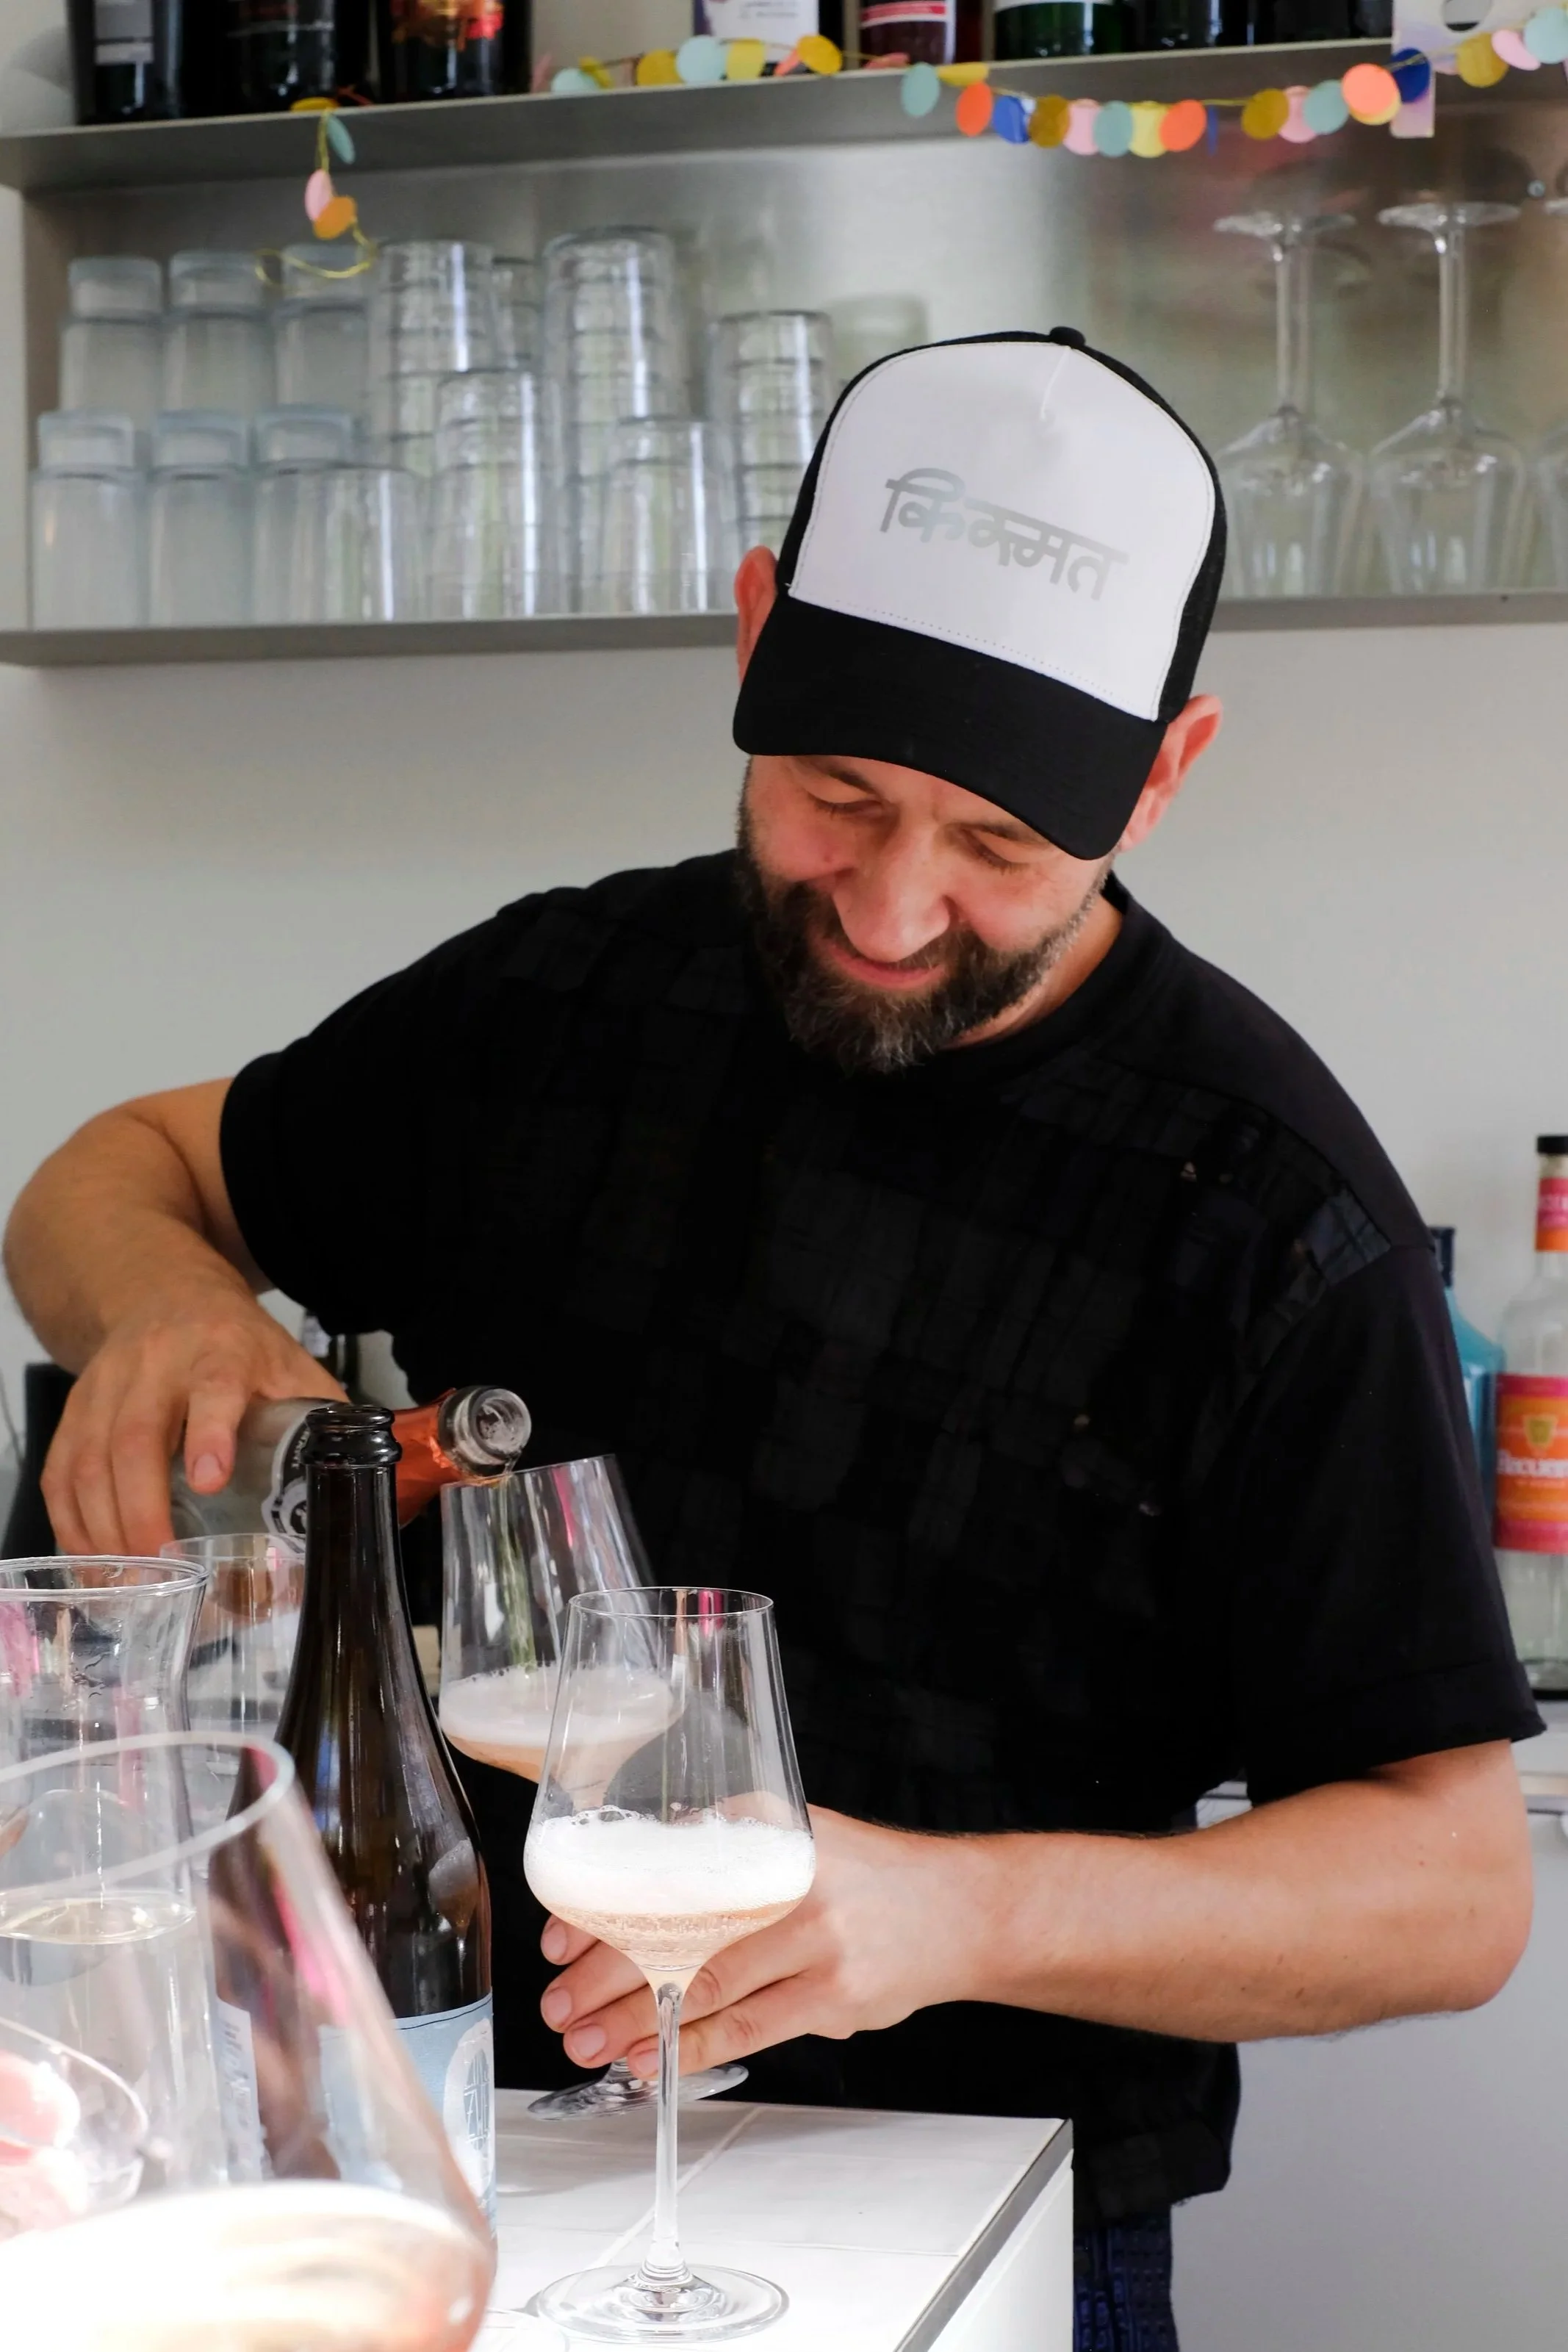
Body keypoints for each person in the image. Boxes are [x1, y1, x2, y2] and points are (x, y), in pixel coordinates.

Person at [5, 330, 1538, 2350]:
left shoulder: (1261, 1210)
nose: (895, 909)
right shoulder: (562, 998)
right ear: (753, 638)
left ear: (1162, 773)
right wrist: (177, 1311)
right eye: (837, 798)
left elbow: (1449, 1891)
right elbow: (110, 1177)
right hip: (456, 2152)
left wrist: (949, 1910)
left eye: (995, 846)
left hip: (989, 2215)